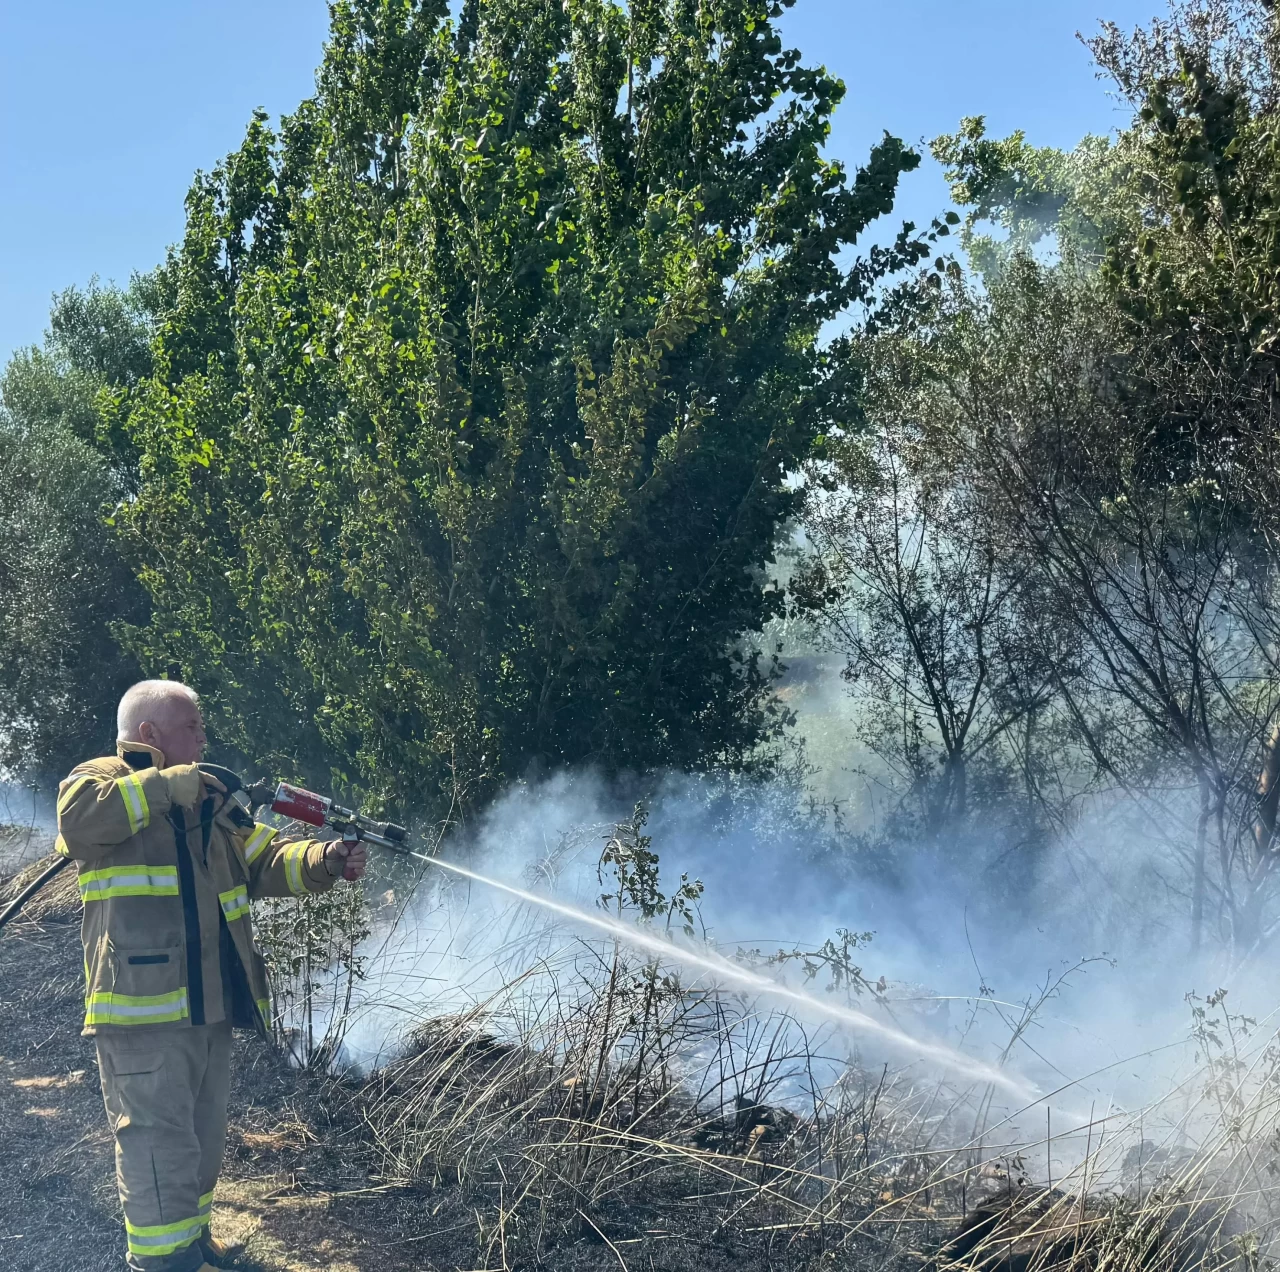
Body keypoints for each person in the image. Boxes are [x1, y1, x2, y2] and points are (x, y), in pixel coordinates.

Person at [55, 680, 368, 1272]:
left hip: (207, 1004)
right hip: (141, 1010)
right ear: (150, 734)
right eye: (193, 726)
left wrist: (324, 858)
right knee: (155, 1143)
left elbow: (263, 860)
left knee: (200, 1137)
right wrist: (172, 783)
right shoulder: (99, 779)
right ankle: (162, 1261)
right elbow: (80, 823)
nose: (204, 738)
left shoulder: (207, 802)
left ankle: (192, 1241)